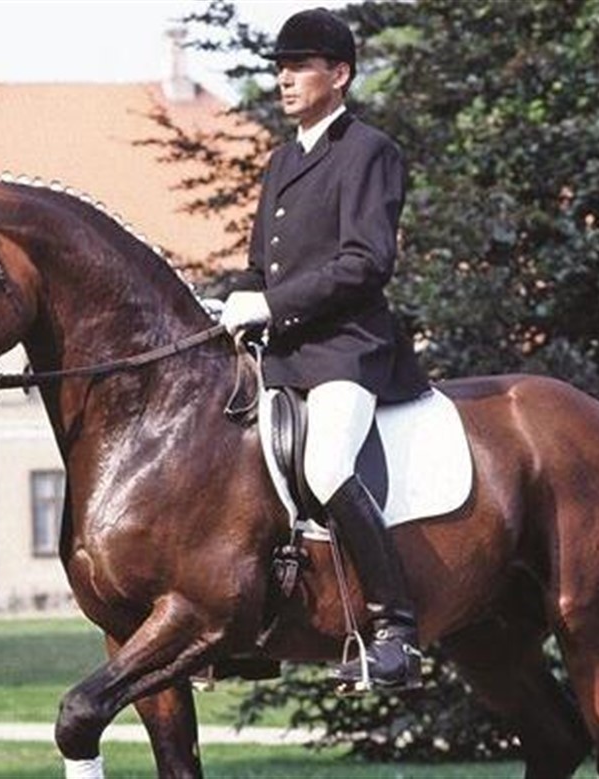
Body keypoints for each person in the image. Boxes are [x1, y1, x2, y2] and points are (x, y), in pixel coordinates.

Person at [220, 7, 430, 691]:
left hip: (347, 350)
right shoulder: (282, 160)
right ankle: (253, 627)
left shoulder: (369, 151)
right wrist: (231, 304)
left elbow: (366, 261)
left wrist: (271, 305)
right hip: (284, 355)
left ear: (338, 74)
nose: (283, 80)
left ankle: (396, 631)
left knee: (328, 463)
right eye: (279, 68)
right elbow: (261, 266)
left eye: (298, 67)